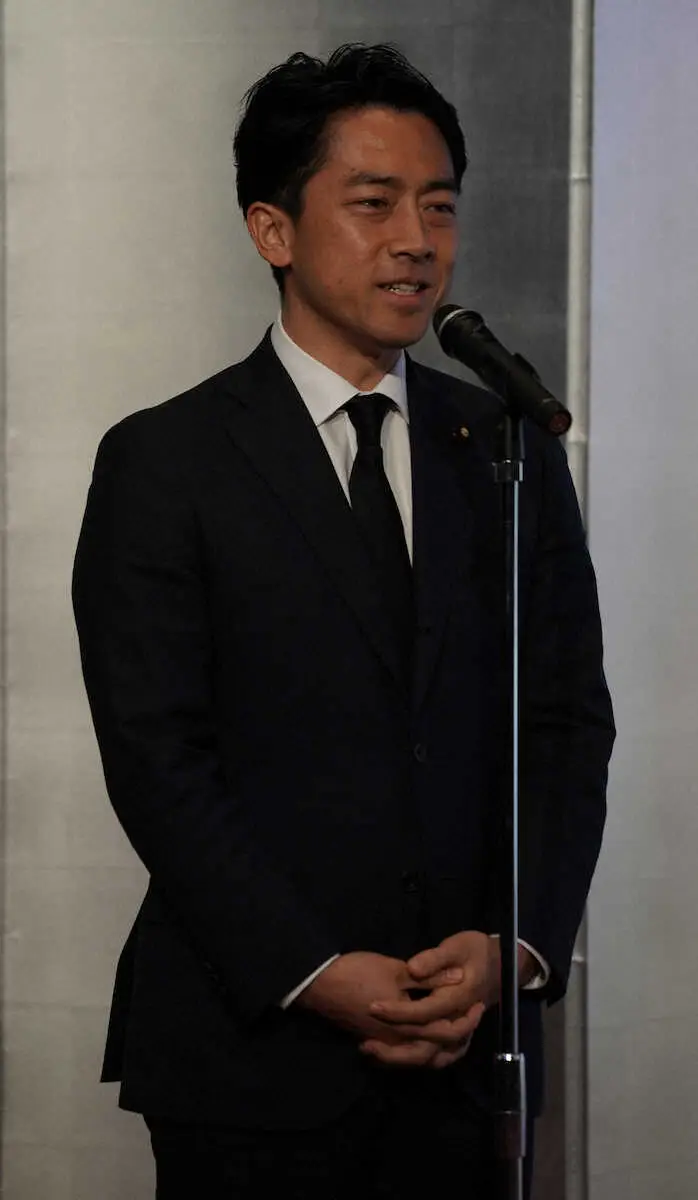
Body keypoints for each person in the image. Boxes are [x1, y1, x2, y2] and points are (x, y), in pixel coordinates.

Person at [72, 43, 614, 1200]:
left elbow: (566, 724)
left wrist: (513, 947)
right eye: (374, 204)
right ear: (273, 229)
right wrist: (312, 968)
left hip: (469, 1057)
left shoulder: (502, 448)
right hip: (249, 1055)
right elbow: (157, 757)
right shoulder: (166, 461)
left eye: (438, 206)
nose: (415, 240)